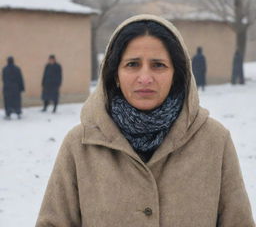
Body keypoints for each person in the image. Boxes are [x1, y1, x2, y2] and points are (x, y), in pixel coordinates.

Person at [36, 15, 255, 226]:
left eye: (158, 65)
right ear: (115, 75)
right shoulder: (81, 144)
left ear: (177, 74)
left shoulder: (214, 141)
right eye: (132, 64)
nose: (145, 78)